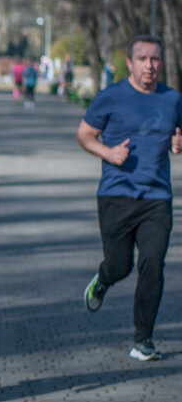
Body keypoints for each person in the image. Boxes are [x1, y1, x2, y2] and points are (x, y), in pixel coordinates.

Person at [77, 34, 182, 361]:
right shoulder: (111, 96)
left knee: (152, 264)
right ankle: (103, 279)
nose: (150, 65)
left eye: (155, 59)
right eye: (143, 59)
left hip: (156, 197)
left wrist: (179, 143)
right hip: (116, 195)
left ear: (161, 62)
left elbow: (178, 133)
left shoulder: (173, 99)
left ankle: (143, 339)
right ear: (129, 63)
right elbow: (84, 134)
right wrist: (108, 152)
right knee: (121, 266)